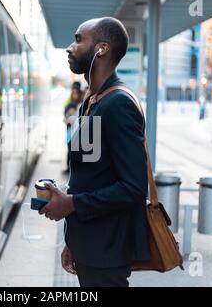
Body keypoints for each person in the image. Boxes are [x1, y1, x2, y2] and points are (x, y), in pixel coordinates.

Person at [38, 17, 150, 287]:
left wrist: (71, 204)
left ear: (101, 49)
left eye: (78, 40)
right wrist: (73, 240)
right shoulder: (92, 101)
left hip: (107, 252)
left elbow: (134, 188)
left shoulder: (119, 105)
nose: (69, 47)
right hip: (90, 245)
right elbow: (89, 176)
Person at [63, 84, 82, 174]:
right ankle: (69, 167)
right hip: (70, 129)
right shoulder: (69, 103)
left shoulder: (81, 103)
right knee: (69, 148)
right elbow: (65, 117)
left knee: (75, 149)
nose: (75, 95)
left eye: (76, 93)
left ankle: (73, 167)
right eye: (73, 93)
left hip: (77, 129)